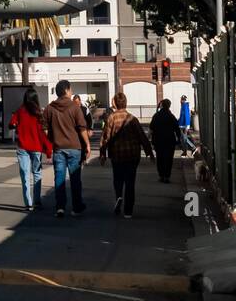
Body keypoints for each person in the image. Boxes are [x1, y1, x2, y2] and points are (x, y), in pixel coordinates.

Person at [99, 93, 154, 218]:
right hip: (132, 155)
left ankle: (119, 196)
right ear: (125, 103)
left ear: (115, 103)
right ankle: (128, 211)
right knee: (130, 182)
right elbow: (142, 137)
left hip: (117, 155)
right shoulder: (132, 118)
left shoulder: (111, 118)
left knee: (117, 179)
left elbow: (105, 138)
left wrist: (102, 154)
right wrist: (149, 152)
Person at [43, 79, 90, 217]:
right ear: (66, 90)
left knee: (59, 178)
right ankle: (76, 207)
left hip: (58, 148)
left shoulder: (50, 108)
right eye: (71, 89)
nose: (72, 92)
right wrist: (87, 144)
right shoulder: (74, 107)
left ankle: (60, 207)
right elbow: (82, 128)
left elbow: (44, 127)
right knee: (75, 178)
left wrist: (51, 139)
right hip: (74, 148)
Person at [8, 86, 53, 212]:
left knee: (25, 175)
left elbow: (11, 124)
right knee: (37, 174)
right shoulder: (39, 113)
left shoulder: (19, 111)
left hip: (22, 148)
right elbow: (43, 134)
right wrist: (49, 151)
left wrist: (16, 125)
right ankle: (37, 201)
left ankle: (28, 203)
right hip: (36, 148)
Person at [150, 98, 182, 182]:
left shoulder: (156, 116)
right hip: (169, 141)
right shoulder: (171, 116)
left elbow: (151, 128)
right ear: (169, 106)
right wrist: (179, 139)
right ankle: (167, 176)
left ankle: (161, 175)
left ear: (161, 105)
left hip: (158, 140)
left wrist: (150, 139)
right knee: (168, 159)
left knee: (160, 158)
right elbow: (177, 129)